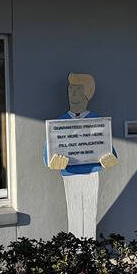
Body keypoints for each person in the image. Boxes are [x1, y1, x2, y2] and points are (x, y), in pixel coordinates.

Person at [46, 73, 116, 237]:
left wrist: (109, 159)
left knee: (90, 211)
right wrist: (51, 161)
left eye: (77, 90)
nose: (72, 94)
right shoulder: (60, 121)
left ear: (87, 94)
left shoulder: (96, 120)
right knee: (74, 210)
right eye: (70, 89)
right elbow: (49, 148)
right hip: (70, 174)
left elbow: (106, 147)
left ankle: (88, 250)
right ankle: (76, 250)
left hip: (91, 173)